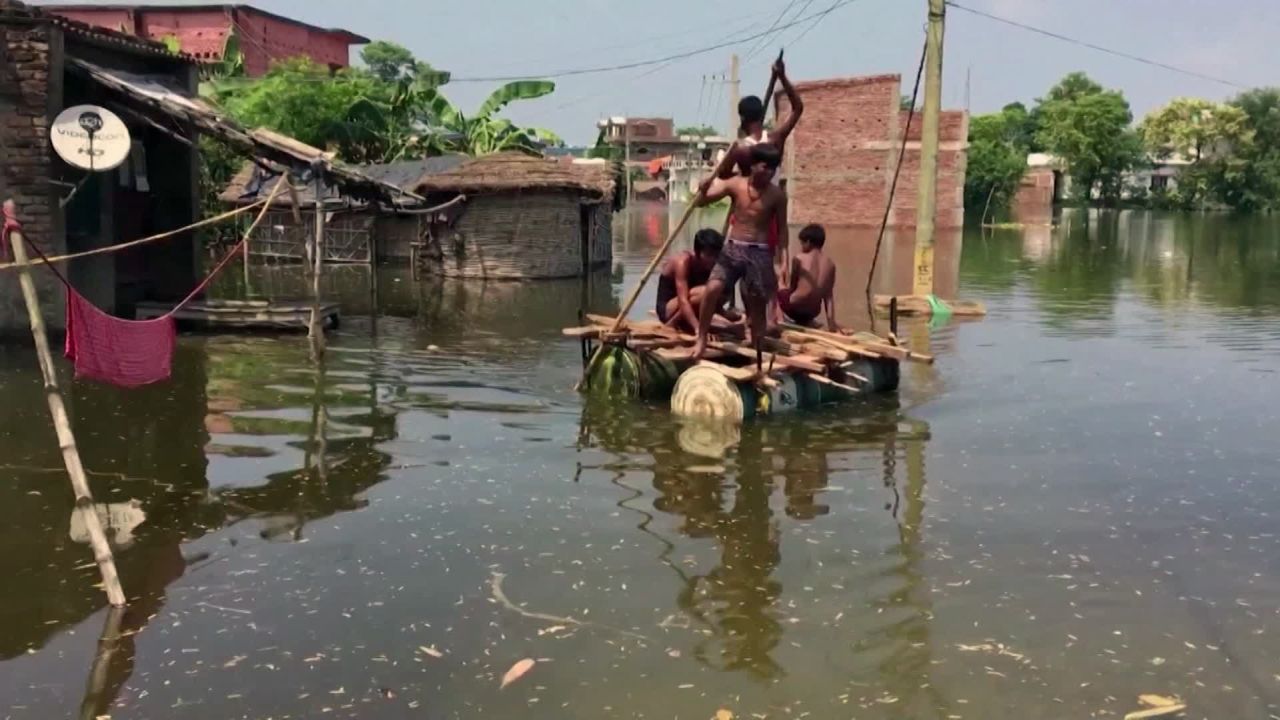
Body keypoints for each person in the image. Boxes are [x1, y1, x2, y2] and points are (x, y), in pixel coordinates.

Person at [719, 56, 804, 321]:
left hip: (748, 210)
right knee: (765, 265)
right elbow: (799, 108)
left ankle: (741, 312)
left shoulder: (740, 148)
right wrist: (783, 77)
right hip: (772, 209)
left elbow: (722, 174)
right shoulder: (775, 139)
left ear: (743, 118)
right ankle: (769, 316)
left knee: (735, 261)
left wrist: (739, 175)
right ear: (761, 116)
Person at [692, 144, 787, 371]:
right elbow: (700, 202)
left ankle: (757, 351)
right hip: (733, 248)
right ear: (754, 166)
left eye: (773, 169)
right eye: (766, 167)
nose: (769, 173)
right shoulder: (735, 184)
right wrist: (703, 188)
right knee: (713, 289)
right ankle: (701, 337)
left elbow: (782, 230)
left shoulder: (777, 196)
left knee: (756, 307)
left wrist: (781, 262)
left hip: (759, 252)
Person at [656, 228, 727, 332]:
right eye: (709, 255)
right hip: (669, 310)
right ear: (697, 252)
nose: (713, 259)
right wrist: (699, 330)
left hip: (690, 306)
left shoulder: (711, 265)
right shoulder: (683, 262)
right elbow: (683, 300)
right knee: (705, 292)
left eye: (716, 255)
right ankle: (672, 324)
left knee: (720, 291)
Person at [778, 224, 840, 331]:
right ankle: (806, 321)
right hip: (813, 312)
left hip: (794, 309)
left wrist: (781, 283)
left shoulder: (799, 258)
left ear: (808, 242)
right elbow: (828, 297)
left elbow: (793, 288)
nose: (801, 247)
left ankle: (779, 319)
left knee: (775, 283)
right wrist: (831, 324)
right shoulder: (831, 264)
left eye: (802, 243)